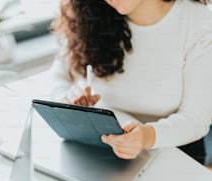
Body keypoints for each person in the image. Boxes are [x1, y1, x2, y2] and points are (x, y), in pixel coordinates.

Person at [48, 0, 212, 164]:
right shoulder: (88, 12)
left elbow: (196, 119)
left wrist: (146, 136)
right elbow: (58, 76)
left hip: (174, 152)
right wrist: (68, 98)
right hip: (102, 150)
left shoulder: (197, 24)